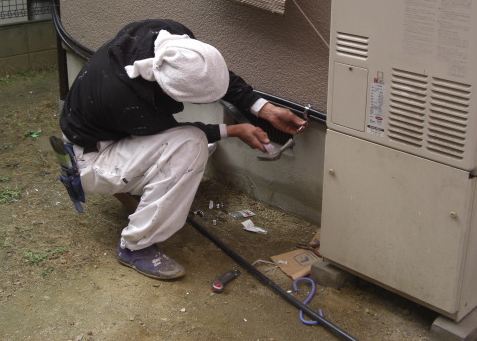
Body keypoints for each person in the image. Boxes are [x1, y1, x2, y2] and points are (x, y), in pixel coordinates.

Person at [55, 19, 307, 280]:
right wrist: (232, 130)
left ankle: (138, 192)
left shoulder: (168, 37)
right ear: (167, 90)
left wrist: (264, 109)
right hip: (91, 158)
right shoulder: (127, 100)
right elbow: (173, 132)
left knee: (194, 147)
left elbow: (207, 73)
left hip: (107, 128)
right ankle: (135, 246)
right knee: (192, 145)